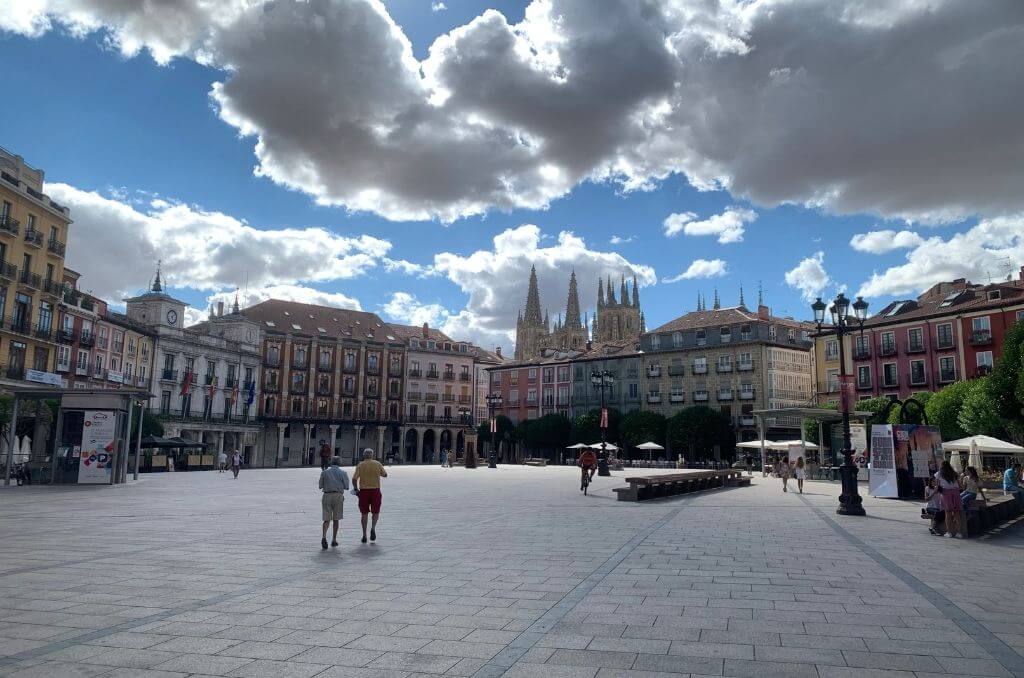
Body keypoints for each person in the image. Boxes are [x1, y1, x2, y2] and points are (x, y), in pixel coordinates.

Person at [352, 448, 387, 543]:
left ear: (364, 455)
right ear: (372, 455)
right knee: (375, 512)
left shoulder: (360, 465)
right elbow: (385, 474)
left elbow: (354, 479)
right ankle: (373, 528)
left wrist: (356, 489)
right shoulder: (377, 463)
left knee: (364, 513)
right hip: (375, 490)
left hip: (364, 492)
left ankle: (364, 534)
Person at [318, 456, 350, 550]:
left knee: (326, 519)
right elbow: (347, 487)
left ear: (331, 462)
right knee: (336, 519)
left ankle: (324, 537)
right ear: (339, 463)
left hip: (327, 495)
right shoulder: (343, 473)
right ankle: (334, 539)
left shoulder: (324, 472)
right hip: (338, 496)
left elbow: (320, 486)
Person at [936, 461, 965, 538]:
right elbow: (959, 485)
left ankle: (949, 532)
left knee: (948, 513)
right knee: (957, 513)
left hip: (946, 493)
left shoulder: (939, 473)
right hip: (955, 492)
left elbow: (937, 485)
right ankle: (959, 533)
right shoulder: (954, 473)